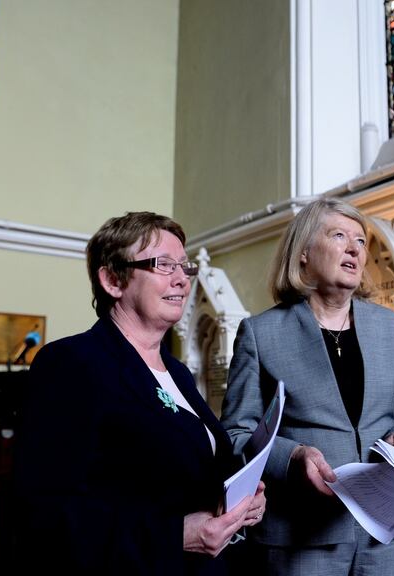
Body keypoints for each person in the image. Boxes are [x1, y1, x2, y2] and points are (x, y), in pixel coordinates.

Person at [16, 212, 266, 575]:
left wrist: (240, 500)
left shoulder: (176, 371)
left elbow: (192, 473)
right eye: (163, 265)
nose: (182, 278)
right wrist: (173, 536)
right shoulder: (72, 364)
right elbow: (45, 514)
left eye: (184, 266)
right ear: (113, 279)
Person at [221, 198, 394, 576]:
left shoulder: (391, 328)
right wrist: (292, 456)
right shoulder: (261, 333)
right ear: (303, 253)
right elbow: (236, 433)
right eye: (339, 236)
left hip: (391, 535)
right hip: (301, 535)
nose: (354, 248)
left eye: (361, 241)